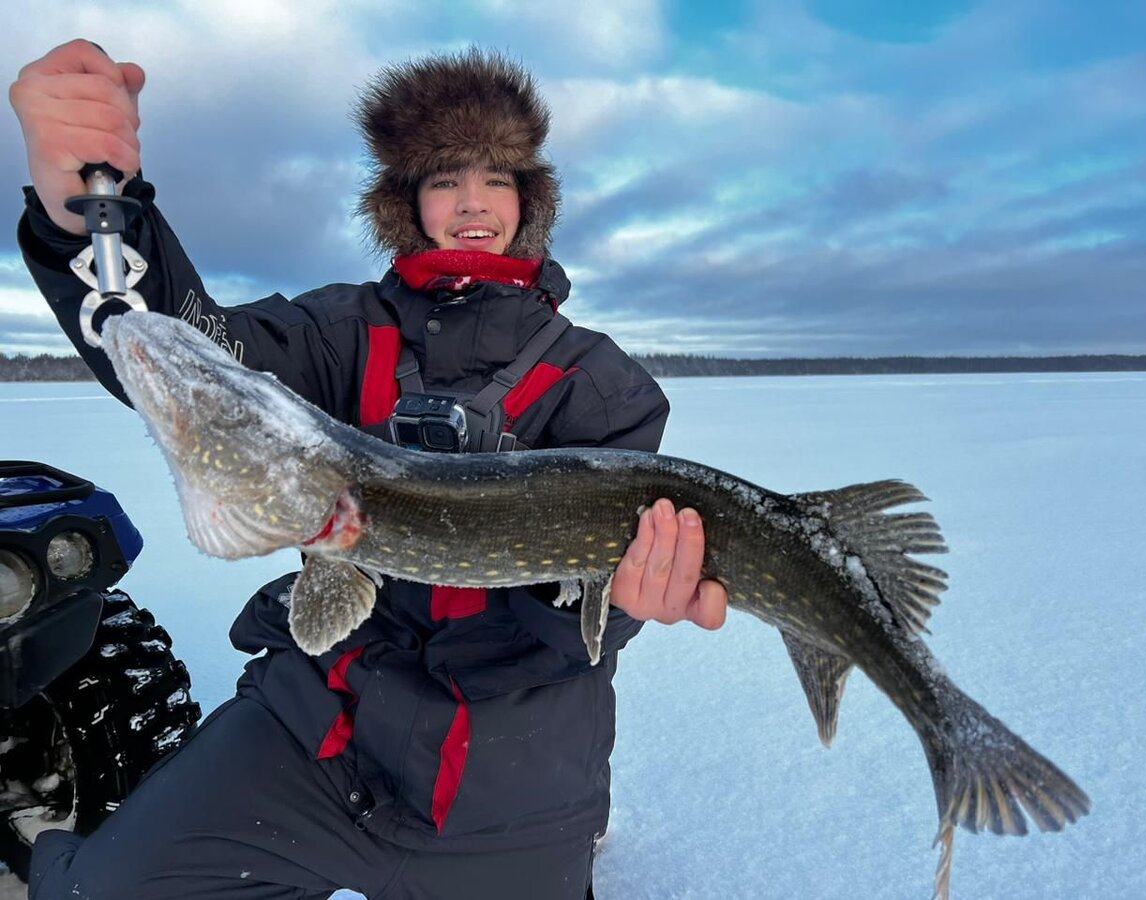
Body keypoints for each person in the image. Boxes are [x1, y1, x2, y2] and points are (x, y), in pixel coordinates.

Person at [10, 39, 729, 900]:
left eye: (497, 180)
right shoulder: (339, 332)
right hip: (316, 735)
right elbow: (195, 356)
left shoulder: (602, 384)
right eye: (445, 180)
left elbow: (590, 618)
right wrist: (88, 216)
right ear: (407, 203)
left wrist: (613, 599)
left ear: (528, 201)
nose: (473, 202)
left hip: (512, 780)